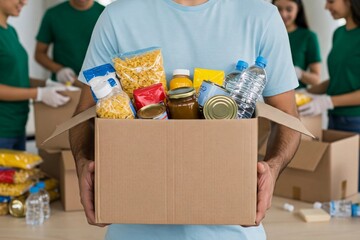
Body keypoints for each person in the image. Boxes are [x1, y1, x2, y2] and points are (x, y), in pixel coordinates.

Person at [70, 0, 301, 239]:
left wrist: (272, 170)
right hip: (134, 221)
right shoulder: (118, 16)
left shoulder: (261, 17)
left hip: (232, 226)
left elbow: (289, 118)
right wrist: (82, 163)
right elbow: (83, 115)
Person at [299, 0, 360, 191]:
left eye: (331, 1)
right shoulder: (339, 33)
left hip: (356, 120)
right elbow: (336, 80)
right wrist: (305, 92)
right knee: (341, 183)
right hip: (335, 119)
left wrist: (328, 101)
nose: (326, 7)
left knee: (354, 182)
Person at [0, 0, 70, 151]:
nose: (24, 2)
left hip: (17, 126)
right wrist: (37, 94)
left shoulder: (10, 31)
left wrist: (45, 84)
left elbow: (14, 77)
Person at [34, 0, 104, 85]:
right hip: (64, 85)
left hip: (100, 85)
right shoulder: (53, 14)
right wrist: (59, 70)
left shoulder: (105, 14)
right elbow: (40, 53)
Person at [273, 0, 322, 89]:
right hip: (263, 95)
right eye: (278, 9)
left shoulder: (308, 37)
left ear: (298, 9)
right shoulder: (266, 34)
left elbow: (316, 79)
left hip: (296, 96)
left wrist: (299, 73)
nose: (283, 14)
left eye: (289, 9)